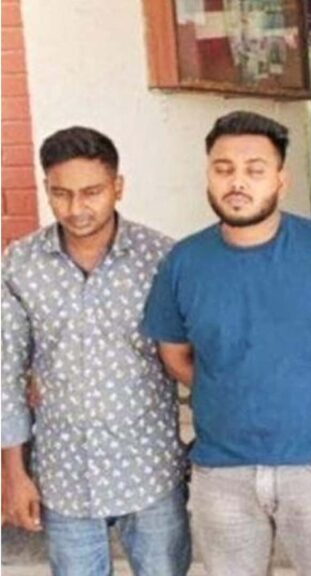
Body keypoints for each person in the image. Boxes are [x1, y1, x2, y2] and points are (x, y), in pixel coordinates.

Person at [141, 111, 311, 575]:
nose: (237, 182)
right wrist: (226, 390)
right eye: (223, 168)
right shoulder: (184, 262)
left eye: (254, 170)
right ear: (209, 174)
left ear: (280, 180)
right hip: (222, 473)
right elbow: (174, 355)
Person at [1, 127, 189, 575]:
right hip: (65, 475)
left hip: (151, 469)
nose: (76, 208)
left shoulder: (161, 259)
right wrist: (13, 473)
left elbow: (196, 356)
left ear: (117, 187)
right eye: (61, 193)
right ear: (46, 188)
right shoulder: (19, 264)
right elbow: (5, 374)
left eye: (91, 192)